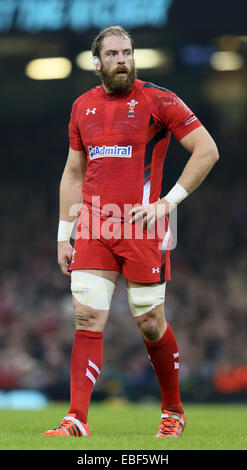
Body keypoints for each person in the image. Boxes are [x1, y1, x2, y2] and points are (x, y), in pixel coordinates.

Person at [43, 25, 219, 438]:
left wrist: (166, 202)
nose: (122, 60)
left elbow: (206, 149)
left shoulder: (159, 99)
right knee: (87, 316)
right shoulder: (81, 106)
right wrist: (62, 233)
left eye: (127, 52)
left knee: (150, 321)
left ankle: (173, 411)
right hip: (94, 223)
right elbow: (73, 172)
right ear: (97, 62)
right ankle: (76, 419)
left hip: (144, 226)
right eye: (113, 54)